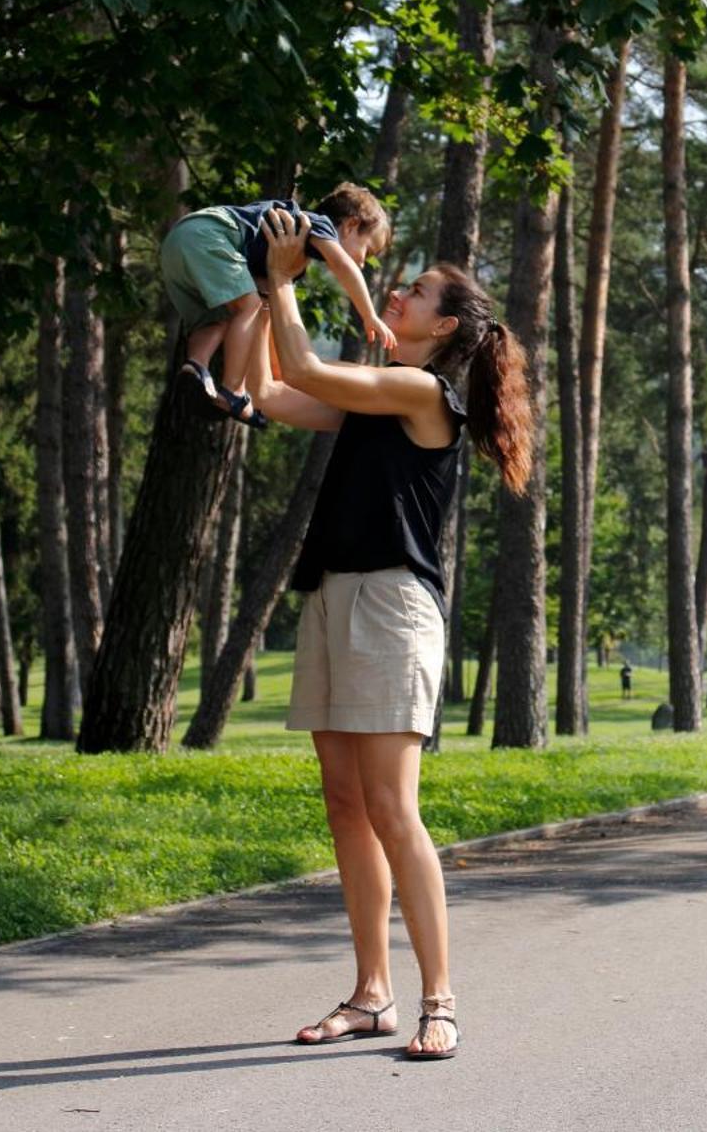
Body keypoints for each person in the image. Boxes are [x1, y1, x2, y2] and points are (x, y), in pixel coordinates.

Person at [248, 208, 534, 1061]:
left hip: (393, 607)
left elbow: (301, 361)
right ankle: (372, 994)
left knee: (391, 807)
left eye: (413, 291)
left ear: (443, 325)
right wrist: (251, 293)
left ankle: (438, 1000)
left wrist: (286, 278)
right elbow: (269, 389)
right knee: (345, 806)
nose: (396, 292)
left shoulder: (422, 393)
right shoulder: (372, 396)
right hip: (334, 596)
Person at [158, 184, 397, 428]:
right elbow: (345, 268)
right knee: (247, 308)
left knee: (217, 318)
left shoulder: (287, 244)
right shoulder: (317, 224)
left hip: (178, 241)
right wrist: (369, 315)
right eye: (366, 253)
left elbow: (266, 294)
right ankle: (233, 390)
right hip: (210, 235)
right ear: (351, 225)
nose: (362, 265)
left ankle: (196, 365)